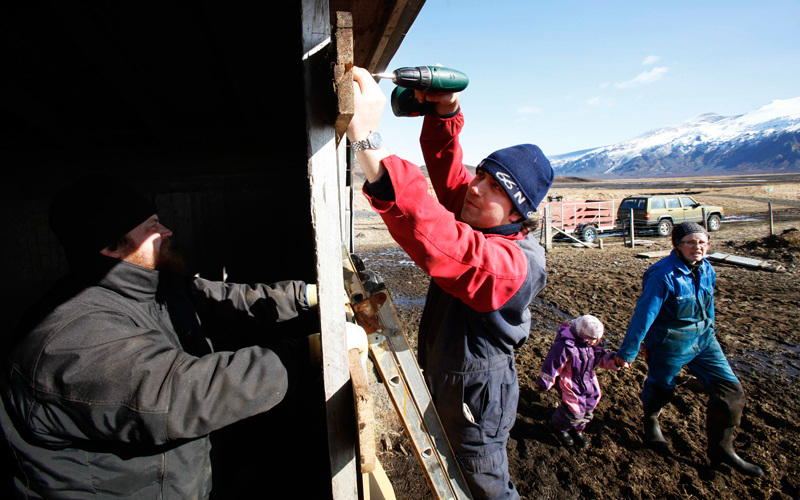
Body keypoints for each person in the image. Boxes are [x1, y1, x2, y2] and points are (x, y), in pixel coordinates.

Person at [0, 175, 367, 499]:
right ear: (112, 248)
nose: (167, 231)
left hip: (180, 480)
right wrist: (319, 349)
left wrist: (310, 295)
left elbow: (223, 298)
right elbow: (182, 393)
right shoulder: (70, 338)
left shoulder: (153, 287)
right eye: (152, 226)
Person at [346, 66, 552, 500]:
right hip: (452, 378)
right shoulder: (485, 217)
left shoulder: (514, 264)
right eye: (482, 174)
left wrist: (368, 141)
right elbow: (446, 167)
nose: (476, 188)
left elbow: (443, 241)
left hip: (477, 399)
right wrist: (446, 111)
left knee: (486, 488)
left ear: (518, 214)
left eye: (495, 187)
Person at [614, 222, 764, 477]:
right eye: (691, 242)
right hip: (669, 343)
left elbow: (710, 305)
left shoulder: (707, 269)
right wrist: (628, 352)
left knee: (731, 392)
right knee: (662, 390)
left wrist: (711, 330)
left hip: (704, 340)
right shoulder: (661, 274)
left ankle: (722, 450)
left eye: (703, 242)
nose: (698, 247)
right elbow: (644, 316)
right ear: (677, 245)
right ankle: (651, 419)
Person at [537, 315, 621, 449]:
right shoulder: (565, 346)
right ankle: (558, 427)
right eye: (593, 340)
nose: (596, 342)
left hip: (588, 378)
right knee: (574, 409)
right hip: (570, 381)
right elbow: (553, 363)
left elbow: (600, 357)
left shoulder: (592, 346)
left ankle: (578, 428)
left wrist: (615, 360)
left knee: (590, 403)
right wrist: (546, 380)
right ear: (583, 336)